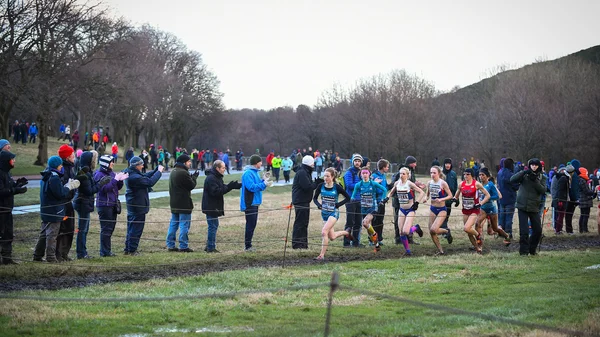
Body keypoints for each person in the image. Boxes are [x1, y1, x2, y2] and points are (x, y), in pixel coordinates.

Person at [33, 156, 80, 262]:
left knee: (44, 234)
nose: (62, 167)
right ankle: (50, 257)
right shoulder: (54, 177)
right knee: (52, 235)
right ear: (57, 166)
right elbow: (60, 194)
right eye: (60, 165)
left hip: (46, 209)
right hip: (54, 211)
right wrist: (69, 186)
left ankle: (37, 255)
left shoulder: (47, 175)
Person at [73, 150, 110, 259]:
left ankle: (82, 251)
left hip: (84, 203)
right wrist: (101, 183)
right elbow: (89, 190)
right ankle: (81, 253)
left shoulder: (86, 172)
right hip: (82, 203)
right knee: (82, 229)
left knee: (84, 229)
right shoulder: (83, 174)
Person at [123, 156, 163, 255]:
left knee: (131, 228)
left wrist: (155, 170)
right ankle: (132, 249)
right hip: (138, 206)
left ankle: (128, 249)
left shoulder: (131, 173)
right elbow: (150, 182)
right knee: (136, 229)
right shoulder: (134, 177)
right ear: (136, 166)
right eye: (141, 164)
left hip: (133, 205)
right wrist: (159, 172)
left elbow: (145, 176)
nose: (143, 165)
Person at [202, 160, 242, 253]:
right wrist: (229, 187)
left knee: (213, 225)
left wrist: (234, 186)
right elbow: (216, 192)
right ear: (217, 168)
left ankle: (209, 245)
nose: (225, 169)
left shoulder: (217, 177)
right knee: (213, 226)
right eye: (223, 168)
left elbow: (222, 187)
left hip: (214, 206)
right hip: (211, 206)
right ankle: (211, 247)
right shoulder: (211, 178)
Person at [312, 168, 352, 260]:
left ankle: (321, 255)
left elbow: (347, 198)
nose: (325, 178)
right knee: (332, 237)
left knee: (324, 232)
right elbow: (314, 198)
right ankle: (347, 232)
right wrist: (319, 205)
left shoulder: (336, 187)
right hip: (324, 213)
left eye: (327, 176)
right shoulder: (320, 186)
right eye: (324, 176)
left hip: (334, 213)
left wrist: (338, 204)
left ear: (333, 177)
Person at [510, 158, 547, 256]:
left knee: (538, 230)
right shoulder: (524, 175)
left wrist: (535, 180)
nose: (534, 167)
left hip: (534, 206)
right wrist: (523, 172)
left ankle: (532, 249)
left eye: (536, 165)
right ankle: (523, 252)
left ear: (539, 166)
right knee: (524, 231)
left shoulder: (542, 177)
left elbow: (543, 190)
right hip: (522, 205)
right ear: (529, 165)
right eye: (532, 165)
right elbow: (512, 179)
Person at [385, 167, 425, 255]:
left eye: (403, 174)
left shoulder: (409, 183)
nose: (401, 175)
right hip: (402, 210)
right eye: (400, 173)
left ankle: (416, 228)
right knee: (401, 232)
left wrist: (417, 203)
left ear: (407, 175)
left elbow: (422, 192)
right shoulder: (397, 183)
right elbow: (391, 192)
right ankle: (408, 251)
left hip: (410, 209)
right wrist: (387, 198)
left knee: (406, 231)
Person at [94, 155, 127, 257]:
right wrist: (115, 180)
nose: (113, 163)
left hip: (112, 204)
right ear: (105, 164)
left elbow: (116, 187)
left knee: (111, 228)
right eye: (111, 162)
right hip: (104, 205)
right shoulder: (98, 175)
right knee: (106, 229)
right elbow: (104, 189)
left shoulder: (111, 173)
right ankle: (105, 252)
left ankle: (107, 251)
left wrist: (120, 180)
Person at [165, 154, 199, 252]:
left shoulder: (173, 172)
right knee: (184, 224)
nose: (190, 163)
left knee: (173, 224)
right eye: (189, 161)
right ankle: (183, 246)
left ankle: (170, 244)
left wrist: (190, 177)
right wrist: (194, 178)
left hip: (174, 202)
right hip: (184, 203)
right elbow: (191, 185)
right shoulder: (183, 173)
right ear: (184, 162)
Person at [452, 168, 490, 254]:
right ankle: (478, 248)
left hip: (474, 210)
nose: (465, 176)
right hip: (465, 210)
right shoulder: (461, 184)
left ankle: (478, 235)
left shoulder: (477, 184)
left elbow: (488, 195)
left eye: (468, 174)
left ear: (472, 175)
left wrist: (480, 203)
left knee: (466, 228)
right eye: (464, 174)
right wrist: (454, 199)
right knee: (468, 232)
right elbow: (457, 194)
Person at [0, 151, 28, 264]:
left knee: (8, 234)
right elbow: (1, 191)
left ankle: (7, 258)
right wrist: (15, 190)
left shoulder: (7, 173)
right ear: (6, 161)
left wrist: (17, 184)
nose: (14, 161)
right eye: (12, 159)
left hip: (7, 210)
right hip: (1, 210)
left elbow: (8, 186)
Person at [350, 166, 387, 252]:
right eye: (363, 173)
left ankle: (375, 237)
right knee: (367, 226)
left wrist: (383, 200)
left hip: (373, 207)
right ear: (361, 175)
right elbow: (353, 194)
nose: (365, 175)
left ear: (369, 174)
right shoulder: (358, 185)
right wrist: (352, 198)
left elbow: (384, 189)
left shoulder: (373, 183)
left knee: (365, 222)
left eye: (366, 173)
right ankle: (376, 243)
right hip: (363, 208)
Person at [240, 154, 271, 251]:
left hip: (255, 202)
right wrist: (263, 184)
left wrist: (263, 180)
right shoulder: (248, 173)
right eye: (260, 161)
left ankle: (249, 245)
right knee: (250, 224)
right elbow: (252, 187)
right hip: (250, 203)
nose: (262, 163)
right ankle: (247, 246)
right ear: (256, 163)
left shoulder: (255, 173)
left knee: (252, 224)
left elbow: (258, 184)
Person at [476, 168, 511, 248]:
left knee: (495, 228)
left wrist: (488, 198)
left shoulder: (491, 184)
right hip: (483, 208)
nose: (481, 177)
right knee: (477, 223)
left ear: (487, 176)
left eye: (483, 175)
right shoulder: (478, 185)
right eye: (480, 175)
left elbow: (497, 196)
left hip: (491, 208)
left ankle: (506, 236)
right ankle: (479, 242)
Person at [292, 155, 319, 249]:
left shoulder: (305, 172)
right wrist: (316, 184)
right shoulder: (302, 173)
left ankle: (303, 244)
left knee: (304, 223)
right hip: (301, 201)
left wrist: (314, 183)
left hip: (303, 201)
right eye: (312, 164)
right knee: (300, 223)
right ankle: (297, 244)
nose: (313, 166)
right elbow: (307, 186)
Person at [56, 145, 77, 262]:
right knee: (61, 229)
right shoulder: (62, 168)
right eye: (72, 154)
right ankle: (58, 253)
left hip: (69, 202)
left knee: (70, 228)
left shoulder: (71, 168)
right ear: (67, 156)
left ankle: (64, 253)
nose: (74, 156)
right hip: (62, 203)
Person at [427, 166, 454, 255]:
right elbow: (427, 195)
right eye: (431, 172)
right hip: (432, 208)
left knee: (434, 229)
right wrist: (425, 198)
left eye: (434, 173)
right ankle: (440, 251)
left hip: (442, 209)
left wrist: (441, 199)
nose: (432, 174)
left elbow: (450, 195)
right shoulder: (429, 183)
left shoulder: (443, 183)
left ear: (439, 173)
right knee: (431, 231)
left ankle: (446, 231)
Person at [343, 154, 363, 247]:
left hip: (360, 200)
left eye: (359, 161)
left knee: (358, 223)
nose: (357, 162)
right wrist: (361, 185)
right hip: (351, 199)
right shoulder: (349, 172)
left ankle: (356, 242)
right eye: (355, 161)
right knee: (350, 222)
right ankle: (346, 242)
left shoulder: (363, 172)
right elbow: (349, 185)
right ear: (353, 162)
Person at [497, 158, 518, 239]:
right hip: (510, 198)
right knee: (509, 217)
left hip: (501, 198)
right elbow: (515, 186)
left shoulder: (499, 173)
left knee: (502, 216)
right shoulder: (511, 174)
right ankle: (508, 233)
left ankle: (501, 232)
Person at [370, 159, 390, 246]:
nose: (388, 168)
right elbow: (370, 187)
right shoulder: (374, 176)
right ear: (383, 167)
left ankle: (379, 239)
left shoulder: (384, 176)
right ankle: (372, 239)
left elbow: (386, 187)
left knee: (380, 221)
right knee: (374, 221)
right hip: (375, 202)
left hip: (383, 202)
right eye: (387, 167)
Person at [551, 166, 570, 235]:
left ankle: (559, 229)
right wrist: (555, 198)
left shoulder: (564, 178)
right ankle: (557, 229)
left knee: (560, 215)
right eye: (562, 170)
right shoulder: (557, 178)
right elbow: (553, 188)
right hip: (558, 199)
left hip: (562, 199)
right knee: (557, 215)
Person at [441, 158, 458, 232]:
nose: (448, 165)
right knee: (442, 215)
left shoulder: (453, 174)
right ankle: (443, 229)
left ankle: (444, 228)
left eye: (449, 164)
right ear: (444, 164)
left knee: (447, 214)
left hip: (450, 199)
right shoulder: (440, 173)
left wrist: (456, 198)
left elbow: (456, 187)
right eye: (446, 164)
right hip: (442, 198)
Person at [565, 159, 581, 234]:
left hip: (569, 198)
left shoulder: (571, 174)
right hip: (572, 199)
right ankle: (569, 230)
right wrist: (576, 199)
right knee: (569, 214)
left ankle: (569, 230)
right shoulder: (574, 175)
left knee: (568, 214)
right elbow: (574, 188)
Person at [578, 167, 594, 233]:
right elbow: (587, 191)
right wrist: (593, 191)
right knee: (585, 215)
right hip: (585, 201)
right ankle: (584, 229)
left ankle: (582, 229)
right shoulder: (582, 181)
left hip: (583, 200)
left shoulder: (581, 180)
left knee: (583, 215)